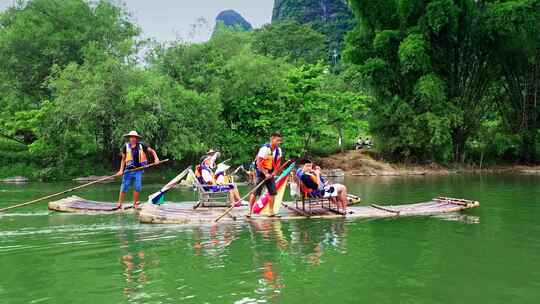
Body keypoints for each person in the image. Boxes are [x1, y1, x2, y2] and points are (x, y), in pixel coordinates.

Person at [116, 131, 160, 209]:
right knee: (124, 186)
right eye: (131, 137)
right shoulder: (125, 147)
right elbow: (123, 160)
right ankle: (120, 204)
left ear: (136, 138)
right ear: (129, 138)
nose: (133, 139)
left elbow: (152, 151)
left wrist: (156, 158)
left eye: (134, 137)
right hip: (128, 170)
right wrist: (120, 170)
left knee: (137, 186)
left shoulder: (141, 145)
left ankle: (135, 203)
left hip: (138, 170)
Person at [248, 132, 283, 218]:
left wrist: (274, 173)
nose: (279, 142)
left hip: (270, 173)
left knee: (273, 192)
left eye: (280, 141)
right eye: (277, 140)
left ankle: (271, 211)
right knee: (256, 192)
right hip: (261, 172)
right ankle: (249, 211)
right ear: (272, 139)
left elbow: (278, 163)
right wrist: (265, 173)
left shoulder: (279, 150)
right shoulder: (264, 149)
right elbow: (259, 163)